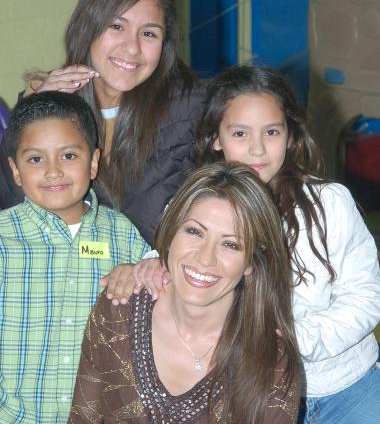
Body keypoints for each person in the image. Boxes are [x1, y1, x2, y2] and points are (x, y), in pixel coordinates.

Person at [195, 65, 380, 424]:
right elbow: (176, 273)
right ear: (216, 137)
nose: (257, 148)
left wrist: (292, 340)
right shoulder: (195, 208)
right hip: (253, 395)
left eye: (272, 132)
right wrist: (147, 265)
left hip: (348, 389)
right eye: (239, 133)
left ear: (290, 134)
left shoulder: (330, 202)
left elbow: (367, 295)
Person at [68, 162, 300, 424]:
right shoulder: (118, 309)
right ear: (171, 233)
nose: (205, 258)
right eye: (194, 231)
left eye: (231, 244)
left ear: (251, 263)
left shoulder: (270, 358)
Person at [0, 0, 205, 245]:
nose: (132, 48)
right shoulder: (50, 101)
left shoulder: (194, 110)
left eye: (149, 33)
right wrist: (32, 116)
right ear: (89, 27)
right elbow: (11, 212)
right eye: (117, 26)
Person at [0, 91, 149, 423]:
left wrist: (143, 271)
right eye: (36, 159)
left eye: (68, 155)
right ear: (15, 171)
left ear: (93, 161)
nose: (53, 172)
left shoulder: (124, 236)